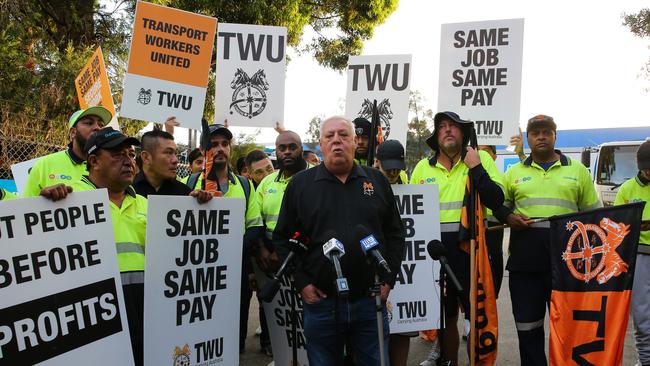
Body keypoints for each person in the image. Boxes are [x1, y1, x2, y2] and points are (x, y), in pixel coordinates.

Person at [273, 116, 405, 366]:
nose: (337, 141)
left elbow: (395, 234)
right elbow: (282, 239)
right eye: (329, 136)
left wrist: (389, 279)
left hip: (370, 301)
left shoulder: (377, 182)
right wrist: (302, 282)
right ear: (321, 145)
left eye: (343, 135)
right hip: (322, 304)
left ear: (355, 142)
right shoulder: (300, 186)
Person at [38, 127, 145, 365]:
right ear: (94, 161)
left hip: (146, 313)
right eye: (118, 154)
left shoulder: (147, 205)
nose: (128, 161)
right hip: (94, 317)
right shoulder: (67, 200)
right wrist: (43, 207)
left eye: (130, 154)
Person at [501, 115, 600, 366]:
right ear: (529, 139)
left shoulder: (577, 171)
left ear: (556, 136)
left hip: (569, 267)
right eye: (536, 133)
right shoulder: (513, 172)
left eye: (547, 132)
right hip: (525, 267)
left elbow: (595, 217)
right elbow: (498, 213)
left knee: (570, 329)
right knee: (528, 327)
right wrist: (509, 217)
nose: (541, 137)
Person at [410, 111, 506, 366]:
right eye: (442, 126)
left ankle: (478, 361)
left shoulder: (481, 157)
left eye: (453, 126)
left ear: (463, 133)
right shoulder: (422, 167)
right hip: (435, 253)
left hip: (470, 248)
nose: (448, 130)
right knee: (445, 315)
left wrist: (476, 168)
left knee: (476, 313)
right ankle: (449, 360)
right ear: (436, 136)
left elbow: (496, 200)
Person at [203, 123, 264, 353]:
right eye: (213, 144)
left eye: (224, 144)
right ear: (203, 149)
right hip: (203, 271)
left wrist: (233, 251)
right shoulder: (190, 183)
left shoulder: (245, 185)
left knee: (236, 321)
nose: (219, 148)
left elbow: (255, 225)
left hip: (236, 269)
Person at [254, 130, 313, 357]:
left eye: (292, 147)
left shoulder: (317, 177)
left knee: (306, 310)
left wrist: (285, 251)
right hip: (270, 257)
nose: (287, 152)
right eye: (282, 148)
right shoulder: (267, 182)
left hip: (306, 255)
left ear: (301, 149)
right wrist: (262, 249)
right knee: (276, 310)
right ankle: (279, 354)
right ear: (276, 152)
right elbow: (255, 219)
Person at [614, 139, 650, 366]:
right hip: (639, 256)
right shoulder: (627, 188)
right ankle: (646, 360)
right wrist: (633, 224)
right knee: (642, 315)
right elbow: (617, 223)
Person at [23, 106, 110, 197]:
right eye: (89, 123)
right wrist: (42, 201)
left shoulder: (111, 165)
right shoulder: (44, 165)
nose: (97, 127)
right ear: (73, 132)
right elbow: (26, 208)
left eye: (101, 125)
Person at [477, 145, 505, 297]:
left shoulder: (499, 176)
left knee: (494, 261)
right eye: (480, 149)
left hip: (494, 227)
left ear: (494, 155)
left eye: (487, 150)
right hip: (479, 226)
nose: (482, 153)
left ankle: (493, 294)